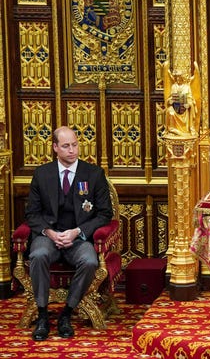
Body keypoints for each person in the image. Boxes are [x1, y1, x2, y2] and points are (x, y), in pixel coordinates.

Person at [25, 126, 113, 341]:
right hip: (49, 237)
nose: (72, 150)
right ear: (55, 147)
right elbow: (32, 214)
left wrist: (77, 232)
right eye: (66, 146)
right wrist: (49, 232)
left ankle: (66, 313)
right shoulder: (42, 174)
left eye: (74, 145)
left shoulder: (93, 174)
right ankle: (43, 314)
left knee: (90, 261)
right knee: (38, 256)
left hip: (78, 238)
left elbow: (105, 214)